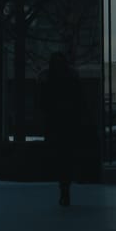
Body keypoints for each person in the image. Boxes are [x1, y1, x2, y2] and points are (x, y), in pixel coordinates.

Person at [38, 51, 84, 206]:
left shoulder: (46, 77)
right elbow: (79, 100)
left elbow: (42, 102)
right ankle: (65, 186)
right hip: (67, 123)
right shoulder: (72, 77)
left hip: (57, 123)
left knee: (60, 157)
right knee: (66, 157)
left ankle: (64, 187)